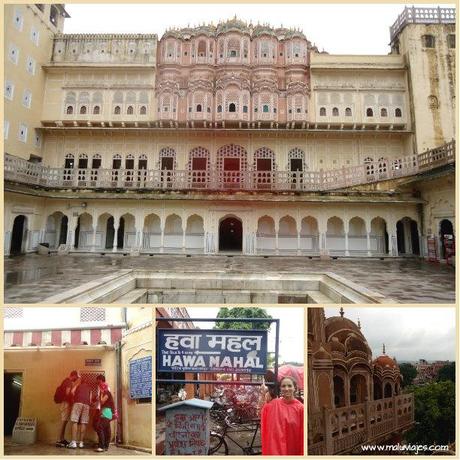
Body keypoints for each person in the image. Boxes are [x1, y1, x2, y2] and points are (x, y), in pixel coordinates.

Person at [260, 376, 304, 456]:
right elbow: (262, 412)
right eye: (283, 386)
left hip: (293, 449)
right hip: (276, 449)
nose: (286, 389)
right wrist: (263, 397)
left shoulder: (301, 408)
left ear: (295, 388)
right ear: (280, 388)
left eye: (290, 386)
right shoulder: (273, 404)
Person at [67, 375, 92, 449]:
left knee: (75, 421)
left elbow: (72, 392)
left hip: (78, 402)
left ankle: (74, 442)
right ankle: (81, 443)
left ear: (81, 381)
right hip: (86, 405)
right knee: (83, 422)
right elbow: (90, 400)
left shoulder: (78, 385)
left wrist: (77, 385)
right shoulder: (89, 388)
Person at [55, 370, 79, 447]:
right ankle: (59, 440)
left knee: (64, 421)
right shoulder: (68, 382)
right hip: (65, 403)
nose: (77, 379)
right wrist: (73, 398)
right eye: (76, 377)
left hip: (65, 403)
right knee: (63, 421)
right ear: (73, 375)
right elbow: (67, 393)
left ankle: (62, 439)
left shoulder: (66, 381)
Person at [94, 382, 115, 452]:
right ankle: (106, 446)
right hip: (107, 412)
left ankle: (102, 446)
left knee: (100, 427)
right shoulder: (106, 393)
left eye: (100, 387)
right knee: (107, 430)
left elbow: (102, 401)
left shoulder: (107, 393)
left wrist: (101, 393)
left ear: (103, 387)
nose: (100, 389)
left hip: (106, 412)